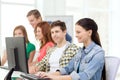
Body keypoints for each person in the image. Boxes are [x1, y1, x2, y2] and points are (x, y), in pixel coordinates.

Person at [36, 18, 105, 80]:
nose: (76, 35)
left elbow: (85, 76)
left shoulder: (98, 52)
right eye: (76, 32)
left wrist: (56, 78)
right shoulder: (81, 51)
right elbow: (67, 68)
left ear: (89, 32)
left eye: (78, 32)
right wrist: (48, 75)